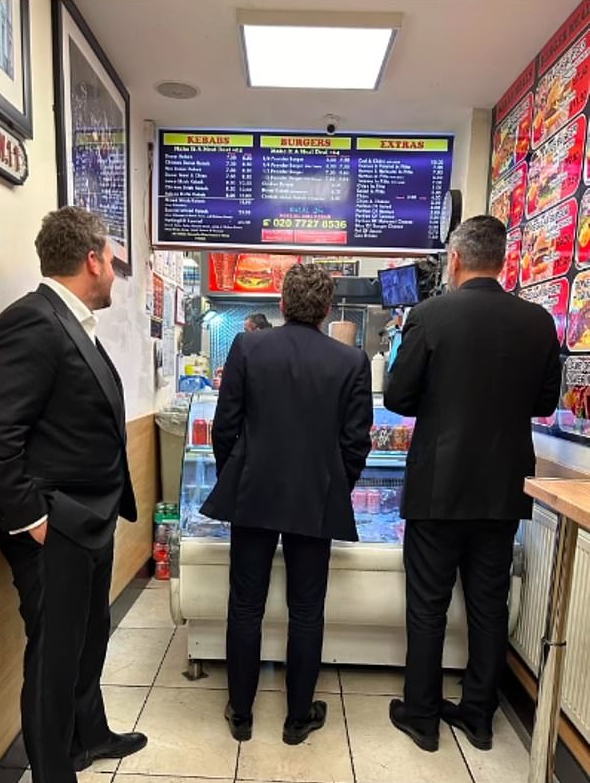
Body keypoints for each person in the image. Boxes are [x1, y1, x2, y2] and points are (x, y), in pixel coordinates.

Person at [0, 206, 145, 783]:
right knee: (54, 658)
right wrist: (32, 520)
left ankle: (88, 734)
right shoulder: (32, 322)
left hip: (90, 516)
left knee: (89, 637)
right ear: (92, 257)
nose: (116, 269)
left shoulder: (74, 321)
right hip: (55, 527)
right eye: (112, 257)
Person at [384, 215, 562, 753]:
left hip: (438, 489)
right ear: (503, 260)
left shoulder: (430, 315)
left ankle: (421, 716)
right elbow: (546, 404)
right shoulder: (538, 322)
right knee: (490, 604)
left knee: (427, 604)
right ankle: (480, 717)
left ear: (455, 260)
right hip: (503, 489)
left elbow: (396, 399)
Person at [201, 264, 373, 744]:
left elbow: (225, 424)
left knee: (245, 604)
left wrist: (233, 477)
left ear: (281, 302)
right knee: (306, 610)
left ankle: (241, 714)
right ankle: (299, 718)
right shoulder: (351, 361)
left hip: (253, 492)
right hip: (314, 499)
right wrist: (332, 483)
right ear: (327, 309)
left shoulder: (248, 347)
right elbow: (356, 442)